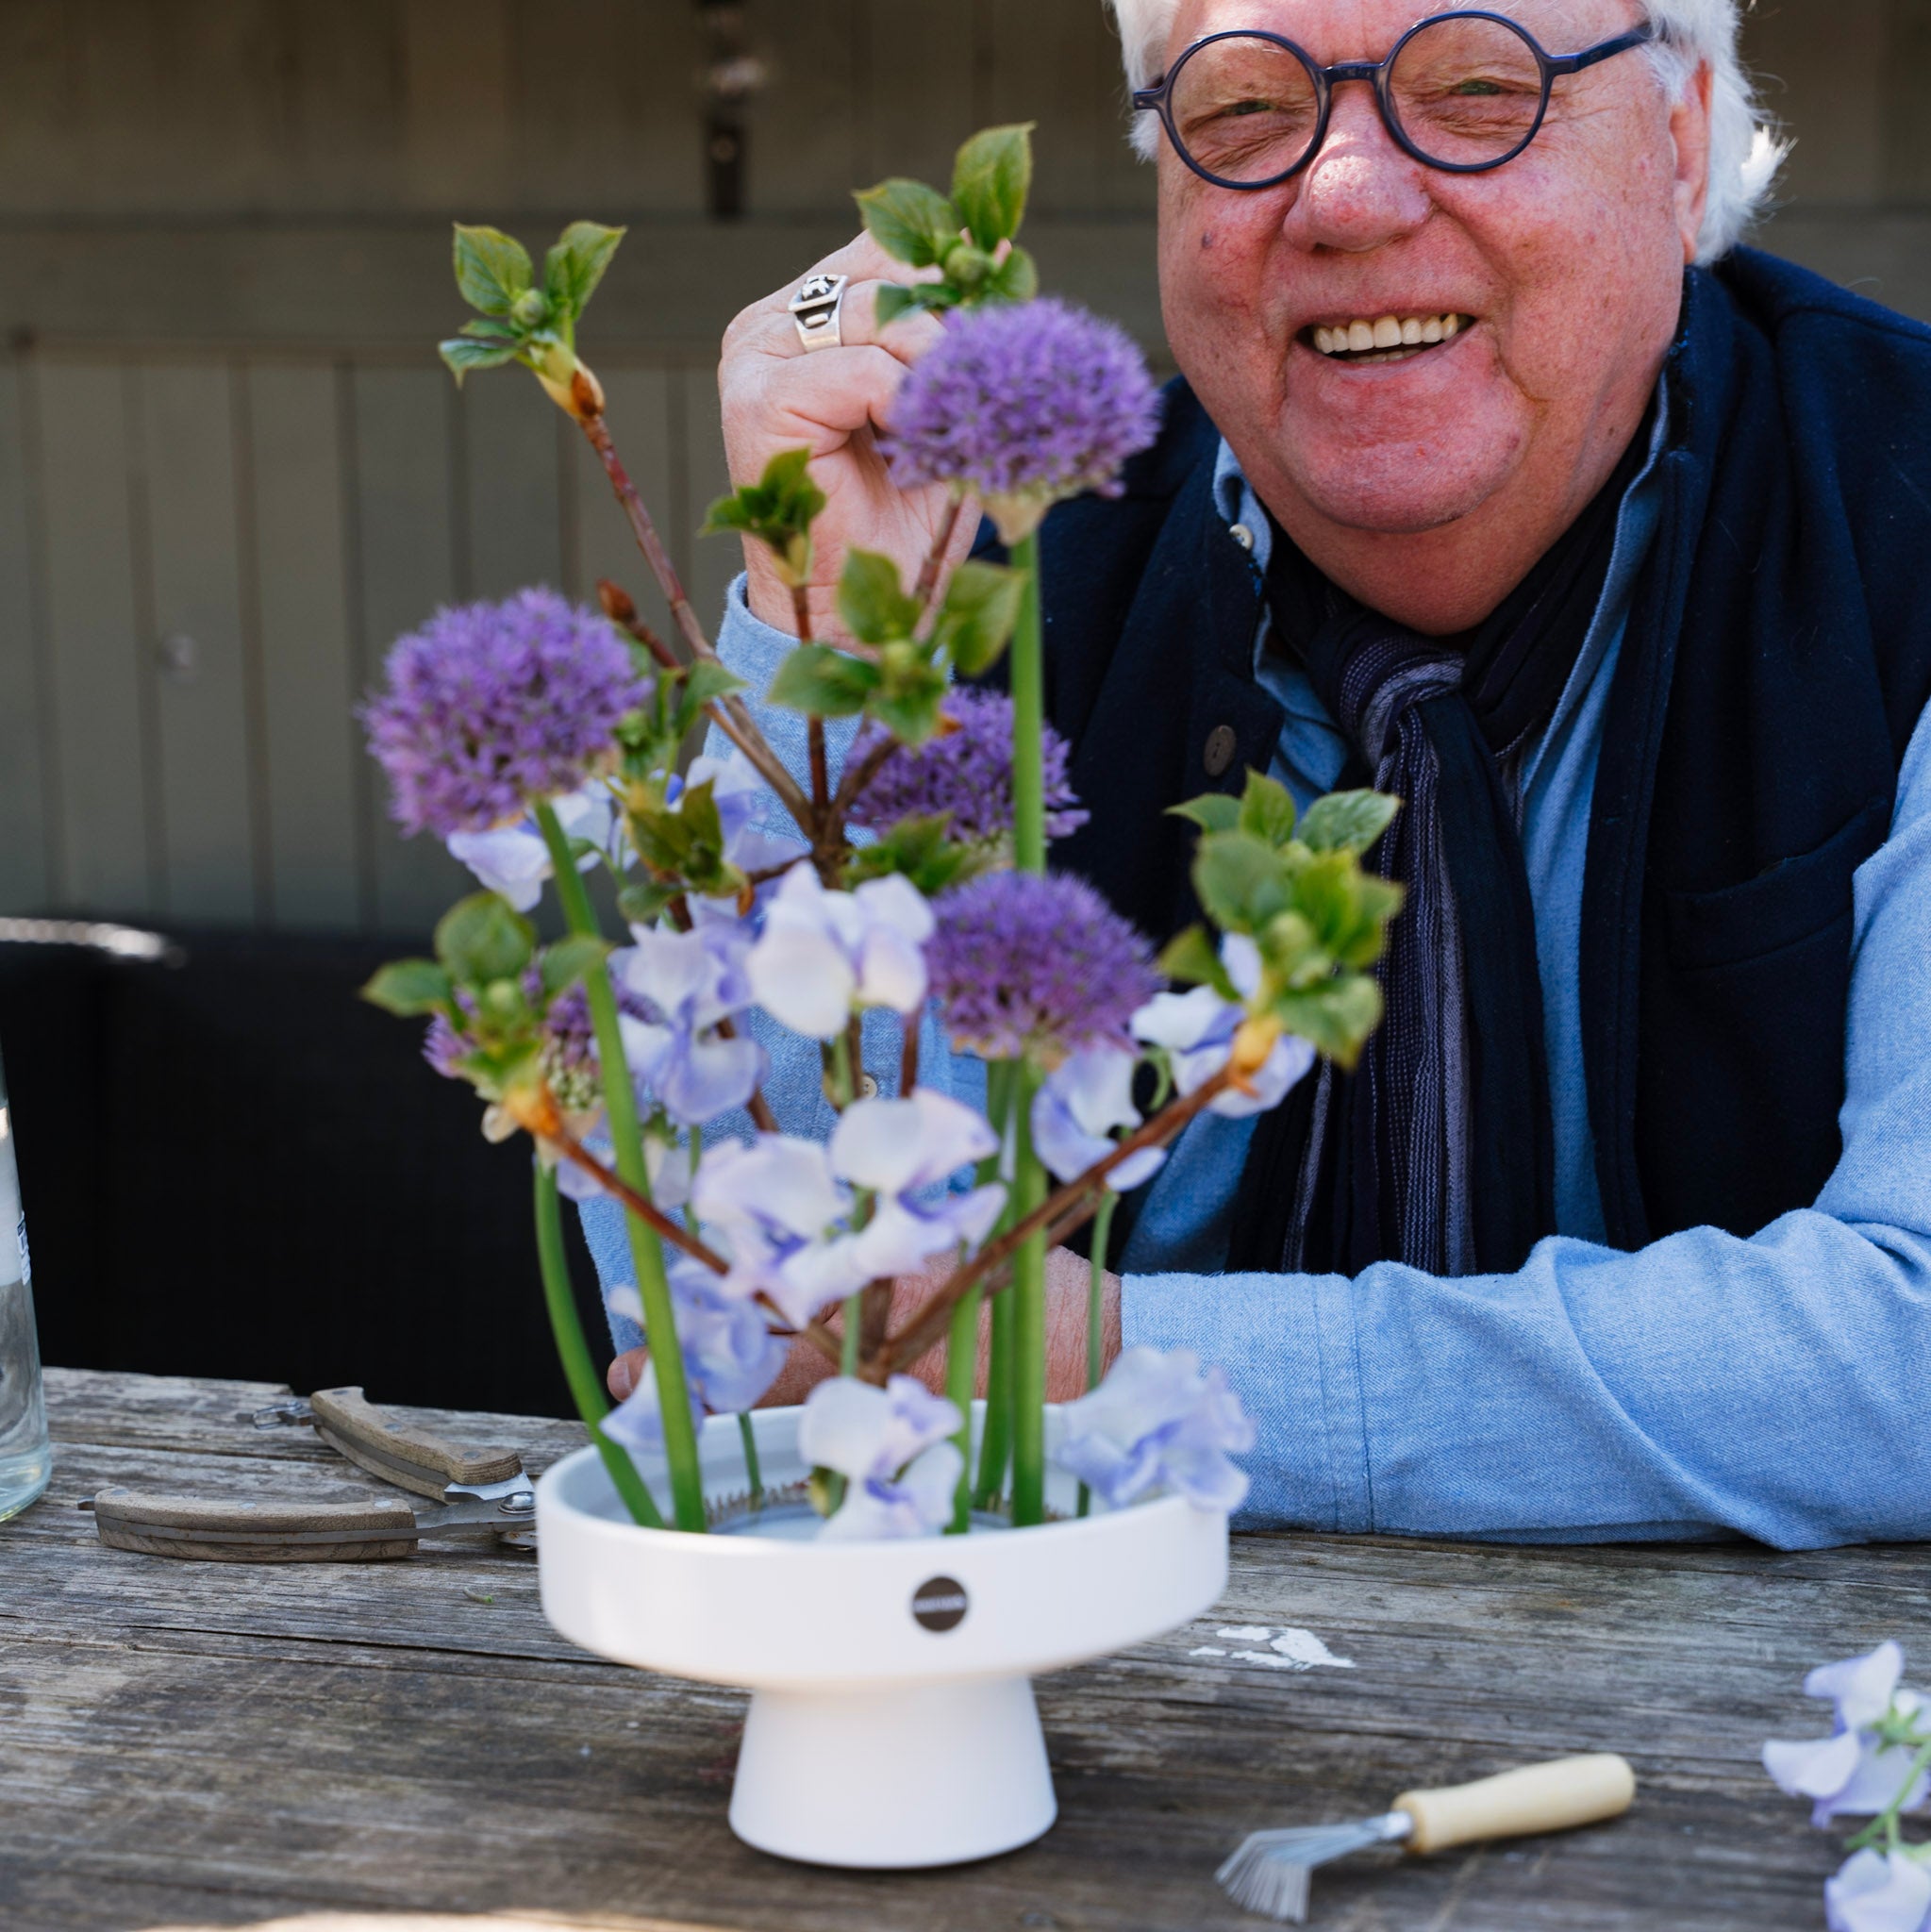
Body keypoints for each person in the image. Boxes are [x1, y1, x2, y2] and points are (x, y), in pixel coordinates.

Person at [601, 0, 1931, 1548]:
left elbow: (1909, 1346)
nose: (1347, 193)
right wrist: (830, 652)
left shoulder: (1903, 524)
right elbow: (743, 1325)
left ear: (1684, 140)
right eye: (1242, 110)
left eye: (1479, 86)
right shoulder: (1001, 570)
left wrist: (1109, 1372)